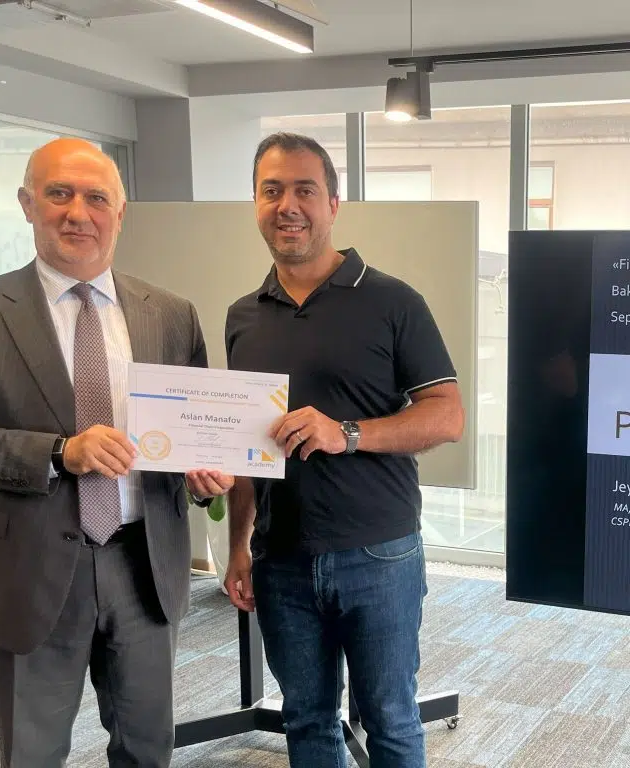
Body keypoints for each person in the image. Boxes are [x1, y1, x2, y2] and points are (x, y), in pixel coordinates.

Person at [0, 138, 232, 768]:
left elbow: (189, 436)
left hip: (144, 565)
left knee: (147, 748)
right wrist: (59, 453)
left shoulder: (171, 314)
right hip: (27, 570)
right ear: (27, 204)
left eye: (96, 198)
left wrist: (202, 474)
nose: (78, 213)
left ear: (120, 212)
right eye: (59, 194)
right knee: (33, 753)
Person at [223, 132, 464, 768]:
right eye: (272, 190)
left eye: (305, 189)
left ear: (333, 203)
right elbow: (249, 450)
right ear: (256, 204)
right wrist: (238, 545)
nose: (288, 205)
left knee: (390, 720)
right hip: (281, 559)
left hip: (378, 553)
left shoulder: (393, 301)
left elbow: (448, 415)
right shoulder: (243, 317)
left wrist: (347, 433)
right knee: (307, 720)